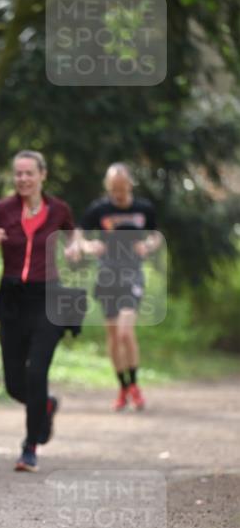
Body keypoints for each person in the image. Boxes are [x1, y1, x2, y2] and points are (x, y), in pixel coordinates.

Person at [0, 150, 76, 473]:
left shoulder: (59, 210)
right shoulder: (1, 210)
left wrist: (77, 248)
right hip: (12, 299)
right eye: (18, 174)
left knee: (36, 371)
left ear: (43, 175)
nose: (23, 179)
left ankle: (29, 447)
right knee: (15, 384)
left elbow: (74, 241)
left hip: (48, 299)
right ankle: (45, 406)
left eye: (29, 173)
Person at [79, 163, 160, 411]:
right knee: (113, 336)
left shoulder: (144, 208)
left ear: (129, 184)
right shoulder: (99, 209)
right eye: (112, 188)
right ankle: (123, 387)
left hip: (132, 274)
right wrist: (89, 246)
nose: (117, 193)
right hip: (107, 275)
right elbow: (78, 235)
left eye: (121, 187)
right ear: (108, 186)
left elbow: (155, 236)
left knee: (126, 332)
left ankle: (134, 385)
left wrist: (148, 245)